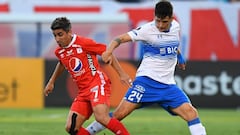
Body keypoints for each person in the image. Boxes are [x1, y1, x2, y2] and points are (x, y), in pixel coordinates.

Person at [86, 0, 207, 135]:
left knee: (191, 113)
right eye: (157, 21)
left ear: (172, 19)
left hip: (168, 86)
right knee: (119, 115)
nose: (160, 25)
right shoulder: (147, 30)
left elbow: (171, 43)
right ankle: (86, 133)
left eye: (164, 22)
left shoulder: (176, 27)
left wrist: (179, 55)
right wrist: (109, 51)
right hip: (146, 82)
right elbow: (119, 39)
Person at [44, 17, 131, 135]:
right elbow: (62, 63)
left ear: (69, 32)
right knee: (71, 127)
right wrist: (51, 81)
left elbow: (107, 52)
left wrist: (122, 74)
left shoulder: (84, 43)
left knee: (101, 117)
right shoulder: (59, 51)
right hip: (83, 91)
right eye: (55, 36)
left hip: (97, 83)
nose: (57, 39)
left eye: (60, 34)